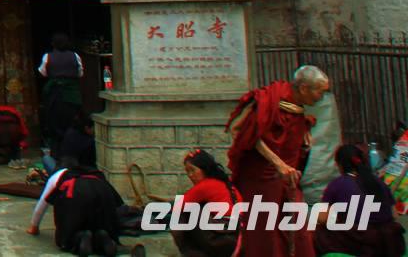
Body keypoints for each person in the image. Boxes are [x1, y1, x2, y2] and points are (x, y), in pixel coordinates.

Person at [226, 64, 330, 257]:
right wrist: (278, 163)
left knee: (299, 234)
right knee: (264, 236)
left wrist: (303, 140)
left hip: (287, 180)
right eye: (319, 92)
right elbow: (242, 131)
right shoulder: (270, 99)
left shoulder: (297, 108)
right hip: (262, 180)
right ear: (304, 88)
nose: (321, 97)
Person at [27, 159, 139, 256]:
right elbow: (117, 204)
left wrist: (34, 227)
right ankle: (104, 236)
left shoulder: (57, 176)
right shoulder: (94, 172)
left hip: (76, 194)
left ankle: (79, 239)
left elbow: (42, 204)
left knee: (65, 238)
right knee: (99, 225)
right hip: (101, 192)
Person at [312, 144, 406, 257]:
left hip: (361, 242)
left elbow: (323, 218)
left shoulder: (338, 183)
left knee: (319, 231)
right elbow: (394, 215)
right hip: (390, 243)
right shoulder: (379, 182)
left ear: (340, 165)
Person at [172, 149, 242, 257]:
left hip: (223, 237)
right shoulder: (226, 184)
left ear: (204, 168)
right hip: (238, 236)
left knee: (184, 213)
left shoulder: (205, 186)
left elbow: (177, 206)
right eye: (187, 171)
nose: (190, 175)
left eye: (193, 170)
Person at [40, 33, 86, 149]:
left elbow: (43, 72)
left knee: (54, 121)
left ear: (53, 44)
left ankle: (57, 149)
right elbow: (80, 73)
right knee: (72, 121)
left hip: (55, 95)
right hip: (71, 94)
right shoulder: (75, 56)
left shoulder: (47, 56)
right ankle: (72, 147)